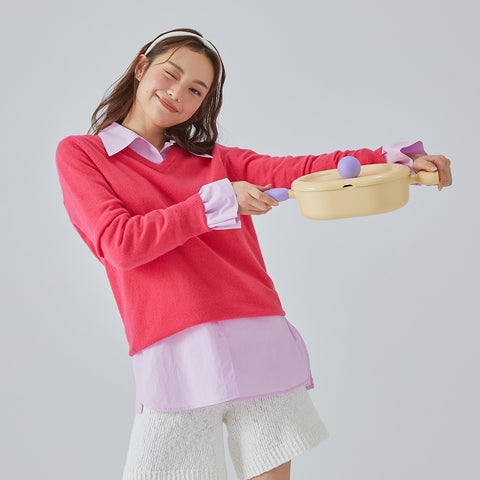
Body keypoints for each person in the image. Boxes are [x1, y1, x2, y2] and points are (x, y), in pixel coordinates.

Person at [55, 28, 452, 480]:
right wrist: (215, 203)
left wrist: (390, 158)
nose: (176, 93)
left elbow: (298, 170)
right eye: (170, 74)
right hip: (175, 352)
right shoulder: (83, 155)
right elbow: (120, 244)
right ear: (141, 66)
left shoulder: (214, 160)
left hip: (256, 334)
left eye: (195, 90)